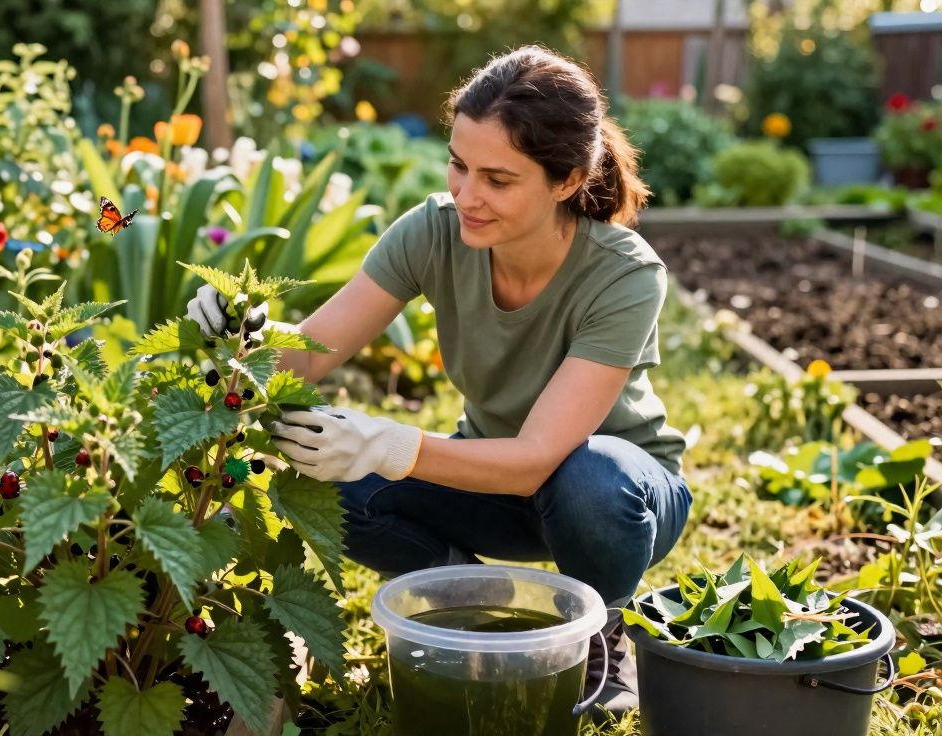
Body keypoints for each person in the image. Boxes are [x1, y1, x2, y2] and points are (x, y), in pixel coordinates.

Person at [186, 44, 692, 720]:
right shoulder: (433, 231)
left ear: (567, 180)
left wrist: (392, 444)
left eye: (499, 179)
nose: (466, 195)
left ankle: (601, 632)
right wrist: (243, 332)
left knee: (588, 477)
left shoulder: (624, 275)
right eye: (458, 165)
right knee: (325, 479)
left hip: (616, 499)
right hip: (489, 485)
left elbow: (538, 459)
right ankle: (484, 611)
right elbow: (308, 357)